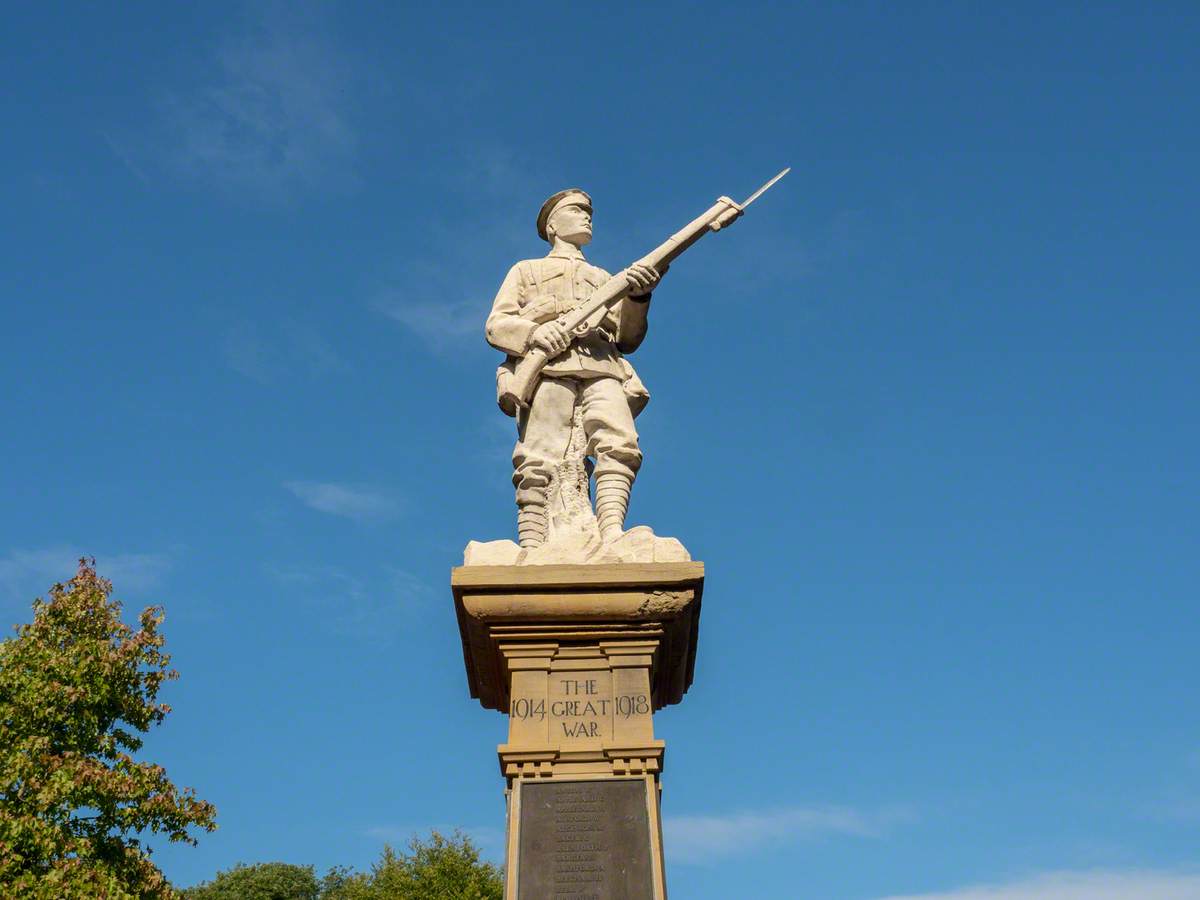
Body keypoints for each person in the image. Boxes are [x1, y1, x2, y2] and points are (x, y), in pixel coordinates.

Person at [485, 189, 663, 548]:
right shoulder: (527, 271)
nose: (587, 216)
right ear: (552, 225)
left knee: (620, 442)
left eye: (589, 212)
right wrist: (536, 331)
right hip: (550, 368)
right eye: (576, 210)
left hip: (603, 366)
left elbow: (627, 338)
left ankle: (611, 530)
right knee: (538, 454)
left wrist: (639, 298)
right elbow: (496, 325)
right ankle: (533, 544)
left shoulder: (604, 277)